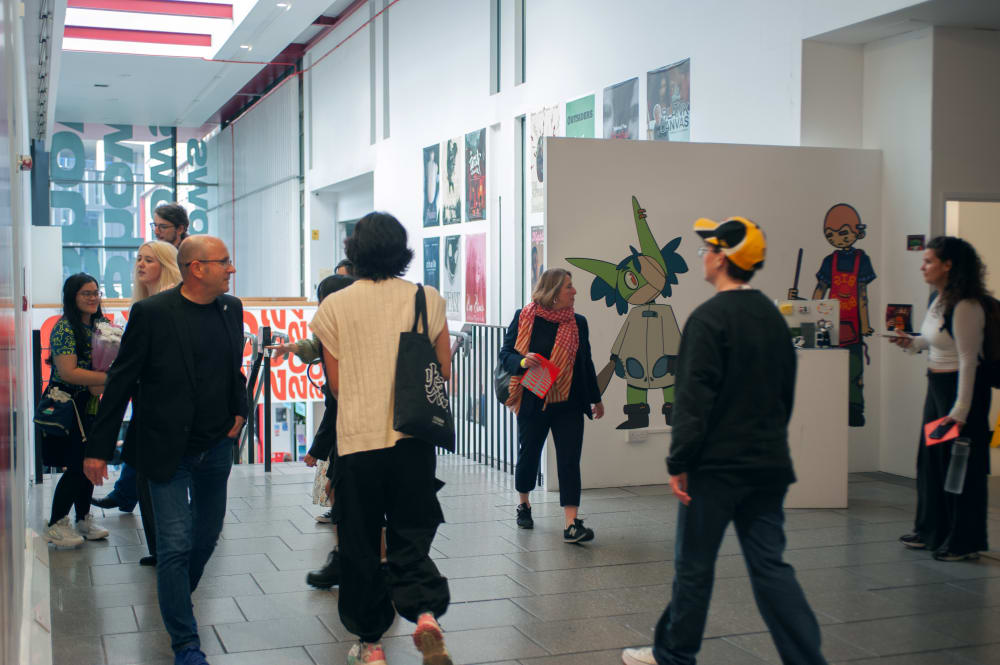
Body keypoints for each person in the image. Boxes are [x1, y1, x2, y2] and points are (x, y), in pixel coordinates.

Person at [622, 217, 827, 665]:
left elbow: (693, 401)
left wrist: (679, 461)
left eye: (707, 249)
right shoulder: (774, 318)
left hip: (714, 470)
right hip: (768, 465)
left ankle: (675, 654)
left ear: (722, 257)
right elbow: (784, 395)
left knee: (694, 566)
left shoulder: (707, 319)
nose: (703, 256)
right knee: (771, 566)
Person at [83, 235, 247, 665]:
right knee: (173, 545)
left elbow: (234, 368)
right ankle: (185, 643)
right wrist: (99, 449)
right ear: (196, 268)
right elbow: (121, 380)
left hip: (216, 448)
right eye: (223, 262)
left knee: (206, 537)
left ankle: (176, 599)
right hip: (166, 449)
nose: (231, 269)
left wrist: (241, 411)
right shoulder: (152, 313)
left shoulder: (231, 309)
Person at [310, 211, 452, 665]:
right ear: (402, 250)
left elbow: (334, 386)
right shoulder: (425, 298)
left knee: (360, 541)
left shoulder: (334, 306)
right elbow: (442, 370)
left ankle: (371, 644)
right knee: (411, 530)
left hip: (357, 442)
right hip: (411, 439)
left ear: (355, 252)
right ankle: (425, 613)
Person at [890, 236, 990, 562]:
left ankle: (963, 540)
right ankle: (931, 530)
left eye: (929, 261)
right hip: (938, 390)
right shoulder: (940, 298)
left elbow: (967, 359)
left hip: (958, 396)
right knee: (932, 462)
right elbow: (935, 341)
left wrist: (959, 411)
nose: (923, 266)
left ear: (948, 265)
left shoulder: (967, 306)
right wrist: (912, 342)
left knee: (957, 469)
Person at [92, 240, 182, 567]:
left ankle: (166, 549)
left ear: (167, 264)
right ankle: (163, 548)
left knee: (155, 479)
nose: (141, 265)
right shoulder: (146, 303)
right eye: (139, 260)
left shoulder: (165, 302)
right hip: (151, 405)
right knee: (149, 478)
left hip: (162, 408)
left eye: (149, 260)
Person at [498, 268, 604, 542]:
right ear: (554, 292)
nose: (574, 292)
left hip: (568, 401)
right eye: (569, 287)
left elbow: (586, 362)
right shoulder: (525, 317)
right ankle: (524, 504)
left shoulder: (578, 322)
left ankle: (571, 523)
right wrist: (522, 362)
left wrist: (596, 398)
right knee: (529, 454)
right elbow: (506, 353)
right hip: (534, 399)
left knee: (569, 460)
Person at [272, 273, 357, 590]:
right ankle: (353, 558)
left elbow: (339, 399)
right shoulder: (357, 328)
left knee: (344, 492)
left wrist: (318, 448)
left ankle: (352, 560)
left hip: (353, 432)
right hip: (375, 432)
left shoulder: (340, 335)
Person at [42, 273, 111, 547]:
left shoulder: (102, 326)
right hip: (67, 403)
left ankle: (83, 519)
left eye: (96, 292)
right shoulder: (64, 328)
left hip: (91, 403)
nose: (93, 298)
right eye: (86, 293)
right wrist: (110, 379)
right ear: (72, 297)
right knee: (76, 465)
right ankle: (57, 523)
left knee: (90, 463)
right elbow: (69, 373)